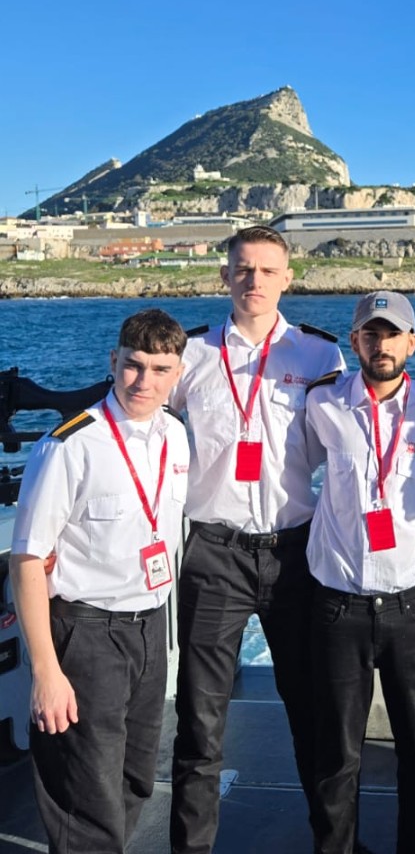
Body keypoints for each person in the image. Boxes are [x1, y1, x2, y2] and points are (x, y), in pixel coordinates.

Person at [170, 225, 344, 854]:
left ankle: (334, 843)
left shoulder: (319, 355)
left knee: (313, 710)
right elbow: (147, 436)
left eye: (268, 270)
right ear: (225, 276)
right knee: (200, 718)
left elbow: (349, 451)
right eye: (243, 269)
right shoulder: (190, 354)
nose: (255, 281)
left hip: (295, 551)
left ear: (287, 279)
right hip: (213, 552)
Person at [11, 308, 189, 853]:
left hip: (149, 628)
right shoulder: (69, 446)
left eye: (160, 369)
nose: (144, 381)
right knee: (86, 800)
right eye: (133, 365)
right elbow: (27, 561)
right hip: (86, 635)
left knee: (134, 781)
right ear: (113, 361)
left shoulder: (175, 436)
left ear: (178, 373)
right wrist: (46, 672)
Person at [304, 291, 415, 854]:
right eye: (371, 333)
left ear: (411, 342)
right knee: (337, 755)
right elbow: (291, 468)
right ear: (355, 341)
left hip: (409, 605)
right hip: (337, 604)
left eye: (392, 334)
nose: (381, 344)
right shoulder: (321, 402)